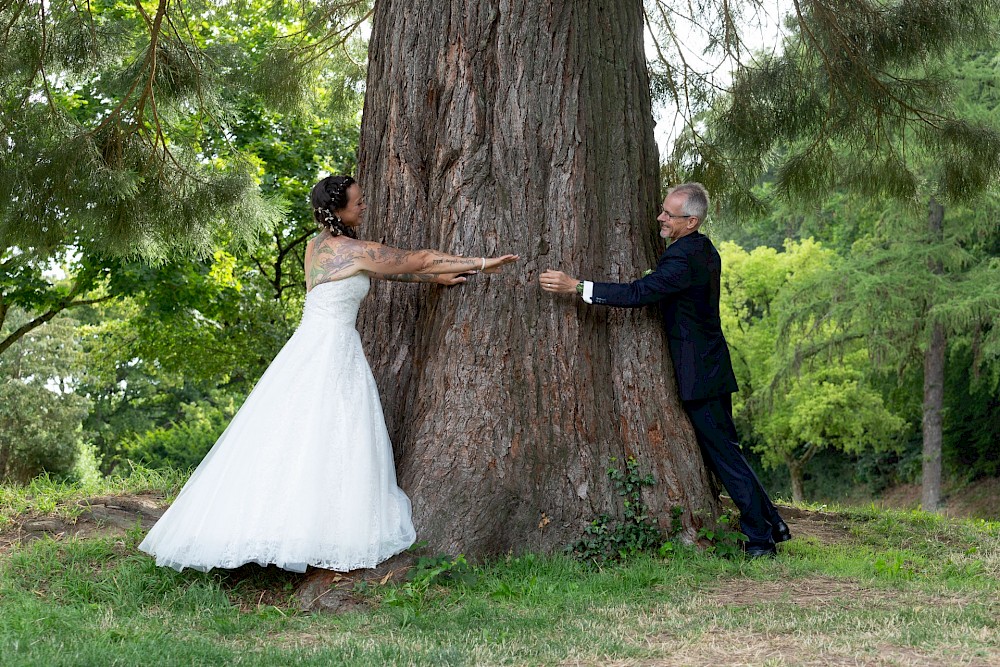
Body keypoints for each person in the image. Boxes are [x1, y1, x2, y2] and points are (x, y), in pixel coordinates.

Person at [139, 175, 519, 572]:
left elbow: (387, 271)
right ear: (338, 210)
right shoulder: (354, 249)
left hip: (307, 346)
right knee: (334, 434)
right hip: (333, 350)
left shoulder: (316, 248)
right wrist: (481, 262)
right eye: (357, 203)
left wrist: (432, 277)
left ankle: (284, 528)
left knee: (296, 436)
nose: (364, 207)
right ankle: (319, 531)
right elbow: (418, 257)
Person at [538, 182, 789, 558]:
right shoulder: (700, 249)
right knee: (728, 453)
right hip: (710, 368)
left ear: (690, 221)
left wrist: (578, 286)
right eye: (662, 210)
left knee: (725, 458)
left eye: (668, 214)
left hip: (702, 374)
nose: (660, 218)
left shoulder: (684, 258)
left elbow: (640, 294)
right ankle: (772, 525)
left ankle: (760, 541)